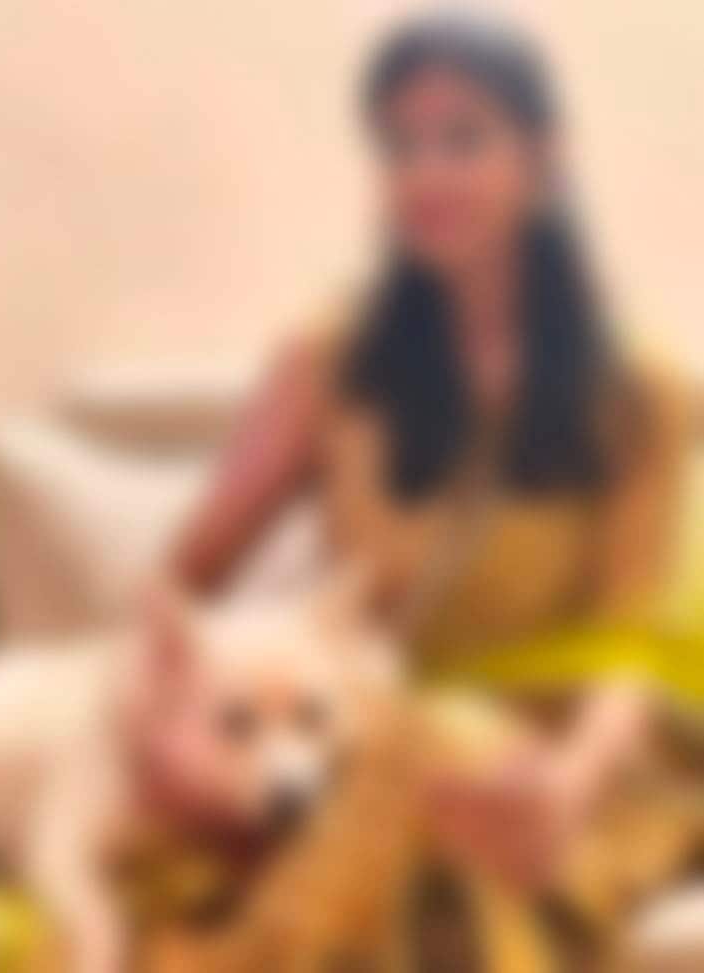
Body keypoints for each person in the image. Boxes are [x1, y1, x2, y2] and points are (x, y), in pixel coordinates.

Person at [168, 14, 699, 886]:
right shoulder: (327, 364)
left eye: (462, 138)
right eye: (399, 145)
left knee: (462, 880)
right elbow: (183, 585)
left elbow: (628, 644)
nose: (425, 172)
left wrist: (566, 788)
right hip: (380, 753)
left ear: (543, 160)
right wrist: (192, 743)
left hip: (573, 763)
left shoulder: (643, 387)